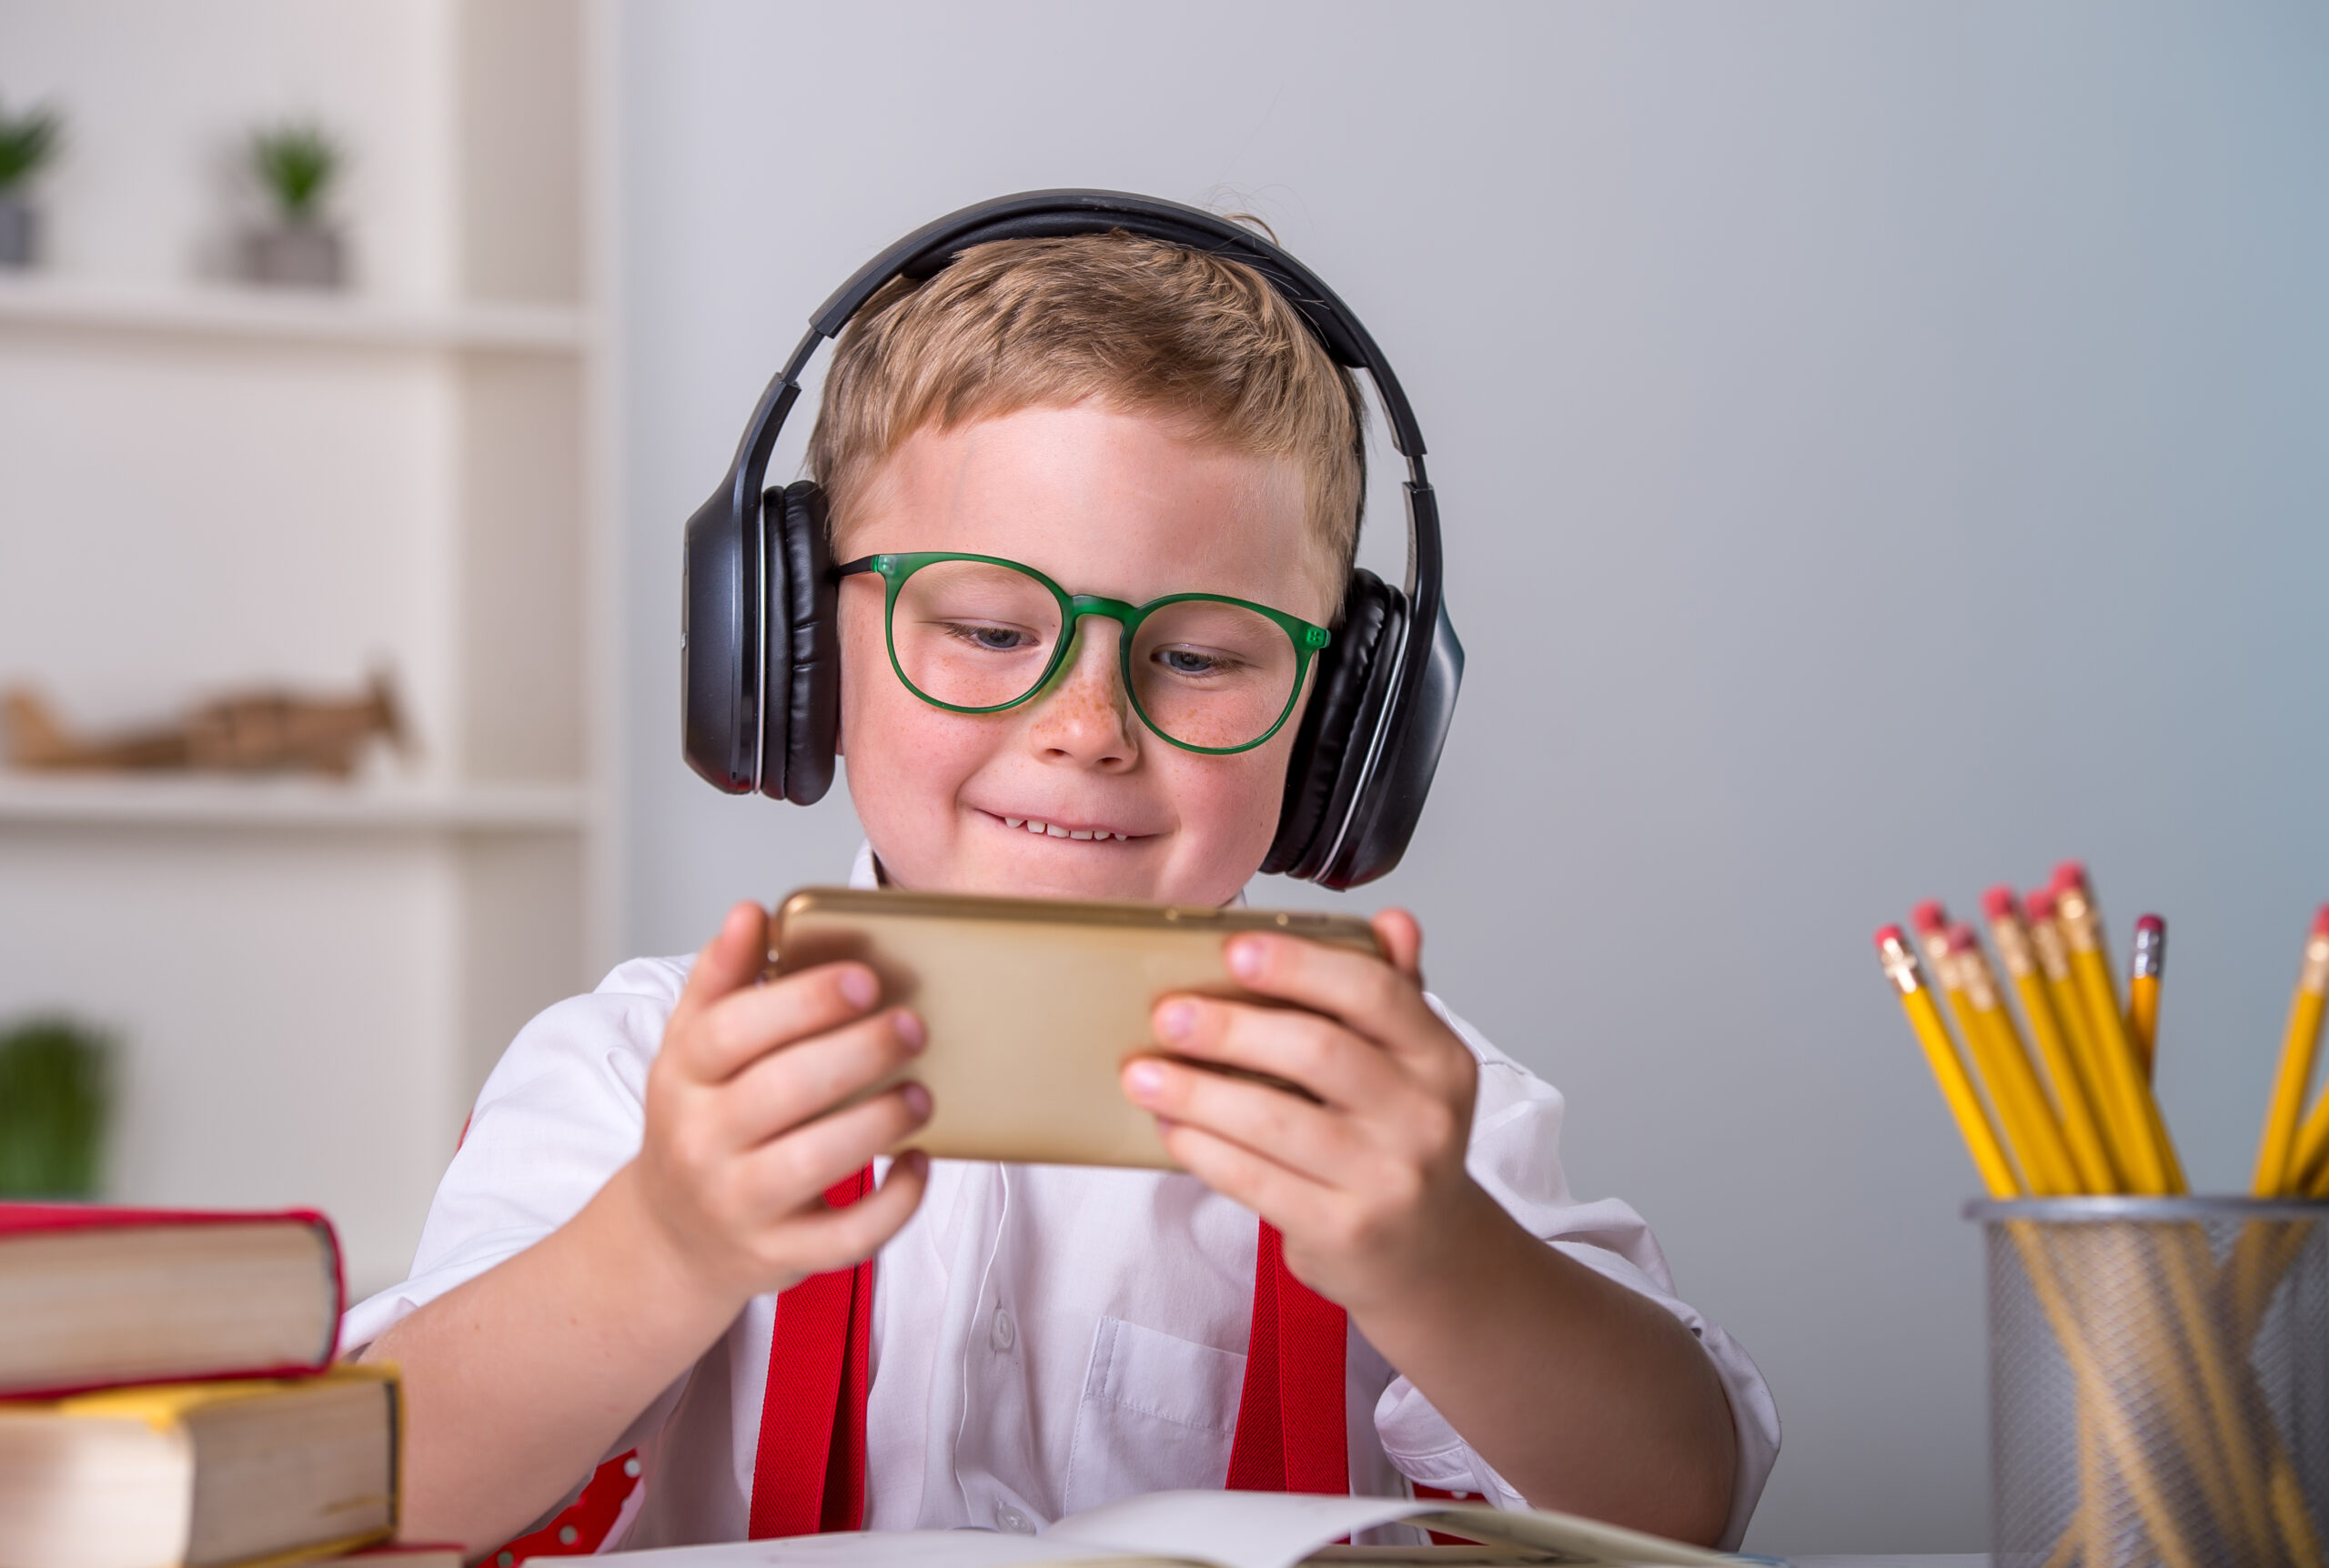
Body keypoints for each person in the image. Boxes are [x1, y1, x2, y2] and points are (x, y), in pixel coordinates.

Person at [344, 212, 1779, 1555]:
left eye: (1202, 656)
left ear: (1346, 727)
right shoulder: (636, 1076)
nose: (1089, 725)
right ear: (782, 653)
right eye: (983, 627)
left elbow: (1683, 1504)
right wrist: (661, 1240)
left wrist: (1439, 1253)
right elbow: (375, 1492)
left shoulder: (1401, 1105)